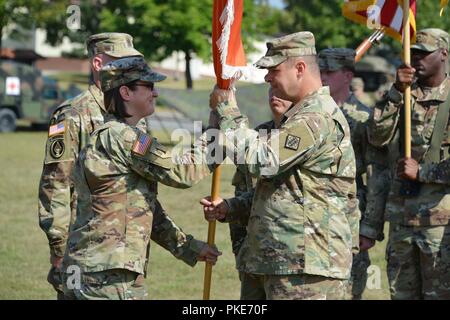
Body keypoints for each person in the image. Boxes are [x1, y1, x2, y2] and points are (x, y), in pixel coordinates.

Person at [202, 31, 360, 300]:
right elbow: (286, 189)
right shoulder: (299, 115)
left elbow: (264, 160)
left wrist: (228, 109)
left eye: (273, 70)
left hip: (305, 269)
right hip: (277, 261)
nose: (267, 78)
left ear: (299, 68)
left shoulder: (317, 116)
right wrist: (233, 207)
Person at [62, 57, 221, 300]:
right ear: (125, 92)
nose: (155, 93)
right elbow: (183, 172)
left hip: (87, 270)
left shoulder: (107, 135)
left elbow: (140, 210)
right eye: (148, 86)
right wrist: (217, 132)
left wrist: (187, 247)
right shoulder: (125, 138)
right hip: (109, 276)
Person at [38, 32, 144, 299]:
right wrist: (59, 248)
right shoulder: (71, 115)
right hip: (83, 251)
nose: (130, 68)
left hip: (125, 250)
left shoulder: (132, 114)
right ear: (98, 64)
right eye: (121, 61)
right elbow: (55, 185)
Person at [367, 28, 450, 299]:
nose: (416, 59)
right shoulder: (402, 96)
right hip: (401, 218)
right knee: (401, 294)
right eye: (413, 53)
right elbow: (376, 137)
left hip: (439, 222)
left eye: (424, 54)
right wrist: (396, 91)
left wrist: (423, 172)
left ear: (444, 54)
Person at [206, 89, 292, 299]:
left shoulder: (300, 134)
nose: (274, 94)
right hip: (253, 251)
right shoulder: (260, 133)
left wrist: (226, 107)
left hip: (289, 258)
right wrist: (228, 207)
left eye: (282, 90)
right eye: (271, 88)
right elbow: (253, 191)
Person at [319, 48, 389, 299]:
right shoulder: (309, 113)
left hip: (349, 216)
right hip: (309, 218)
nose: (322, 77)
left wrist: (369, 228)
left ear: (347, 75)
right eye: (320, 71)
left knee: (348, 289)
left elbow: (376, 174)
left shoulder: (364, 119)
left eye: (329, 71)